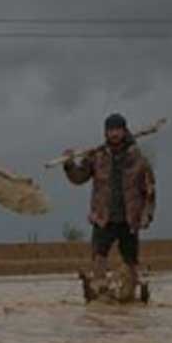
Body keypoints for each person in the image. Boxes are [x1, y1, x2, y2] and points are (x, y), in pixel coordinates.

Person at [62, 113, 156, 301]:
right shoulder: (96, 156)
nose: (114, 134)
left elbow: (150, 190)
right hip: (103, 217)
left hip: (129, 218)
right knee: (99, 257)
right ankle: (99, 293)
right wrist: (69, 164)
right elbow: (79, 178)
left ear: (124, 131)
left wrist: (147, 215)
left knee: (131, 261)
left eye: (117, 130)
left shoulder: (138, 158)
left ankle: (133, 293)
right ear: (105, 133)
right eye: (110, 130)